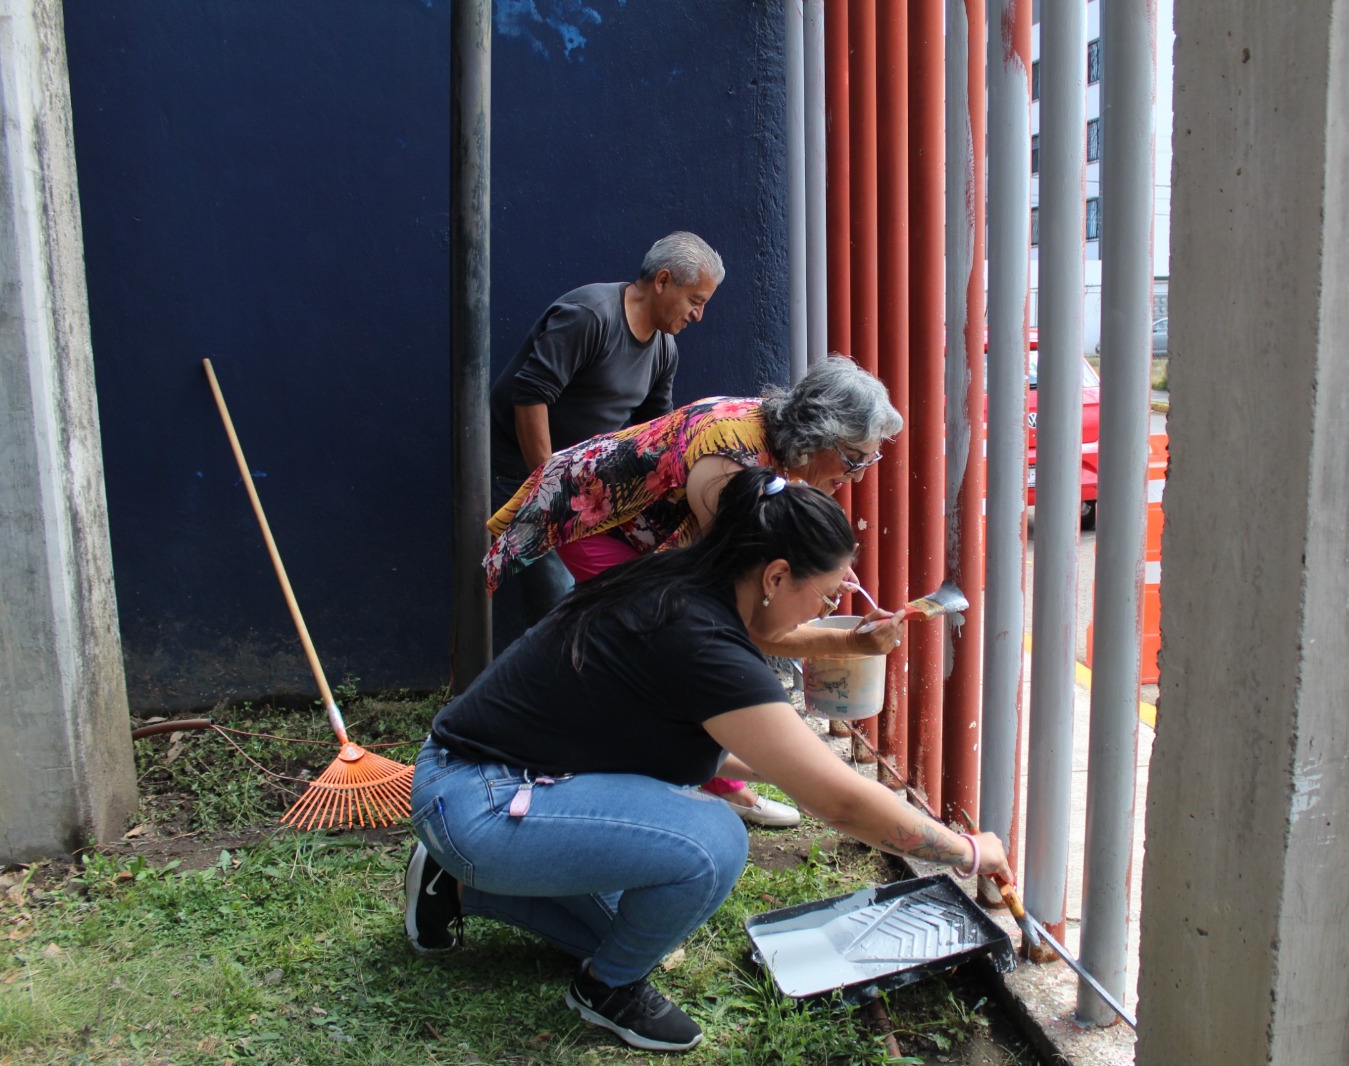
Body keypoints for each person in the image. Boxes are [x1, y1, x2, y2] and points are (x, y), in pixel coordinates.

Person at [407, 468, 1013, 1053]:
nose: (822, 611)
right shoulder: (701, 642)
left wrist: (794, 758)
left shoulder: (690, 583)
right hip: (480, 799)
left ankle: (453, 885)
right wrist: (965, 852)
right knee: (711, 842)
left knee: (632, 927)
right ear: (776, 576)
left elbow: (749, 743)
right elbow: (840, 802)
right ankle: (605, 990)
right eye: (825, 596)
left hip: (480, 780)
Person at [482, 355, 906, 826]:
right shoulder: (731, 467)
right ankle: (645, 782)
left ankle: (703, 778)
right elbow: (740, 621)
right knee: (662, 641)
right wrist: (849, 642)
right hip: (597, 520)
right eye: (853, 459)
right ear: (818, 432)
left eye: (871, 459)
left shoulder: (778, 438)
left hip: (643, 532)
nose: (860, 475)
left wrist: (819, 573)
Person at [490, 231, 725, 623]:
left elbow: (655, 434)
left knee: (613, 598)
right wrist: (550, 488)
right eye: (695, 301)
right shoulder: (590, 315)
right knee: (560, 604)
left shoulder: (665, 349)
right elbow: (530, 395)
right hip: (520, 473)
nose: (697, 316)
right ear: (663, 281)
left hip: (587, 487)